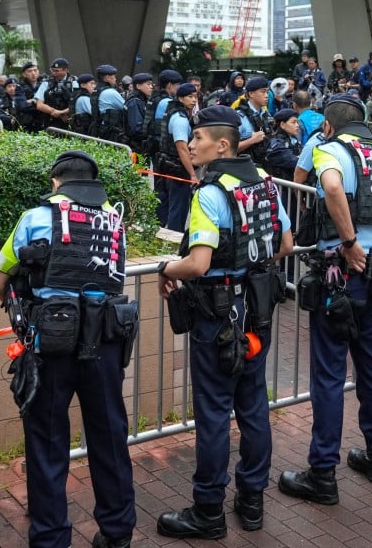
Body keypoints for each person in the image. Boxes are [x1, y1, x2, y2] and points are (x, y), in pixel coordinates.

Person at [156, 105, 293, 539]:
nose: (190, 144)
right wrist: (250, 266)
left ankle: (208, 511)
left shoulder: (210, 192)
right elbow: (286, 244)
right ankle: (251, 502)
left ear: (222, 145)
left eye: (197, 138)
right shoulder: (266, 183)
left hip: (217, 317)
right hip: (257, 312)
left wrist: (165, 268)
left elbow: (197, 264)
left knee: (214, 414)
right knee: (253, 408)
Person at [0, 150, 136, 548]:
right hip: (106, 342)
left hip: (50, 345)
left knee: (48, 442)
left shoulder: (36, 218)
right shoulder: (115, 220)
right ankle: (118, 532)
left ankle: (51, 537)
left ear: (56, 183)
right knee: (109, 436)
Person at [279, 96, 372, 503]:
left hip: (342, 270)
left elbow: (331, 185)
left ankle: (323, 473)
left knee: (329, 373)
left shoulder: (330, 149)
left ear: (327, 127)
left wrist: (348, 242)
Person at [157, 83, 200, 231]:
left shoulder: (171, 111)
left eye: (195, 97)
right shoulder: (180, 119)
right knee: (178, 209)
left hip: (166, 165)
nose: (194, 100)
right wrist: (192, 174)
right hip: (178, 169)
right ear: (180, 98)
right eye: (190, 97)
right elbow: (182, 148)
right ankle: (174, 242)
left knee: (165, 204)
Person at [236, 77, 274, 164]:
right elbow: (229, 148)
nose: (266, 95)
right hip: (245, 167)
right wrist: (251, 140)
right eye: (263, 92)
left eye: (267, 92)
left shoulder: (266, 115)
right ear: (251, 93)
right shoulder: (240, 117)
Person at [264, 108, 303, 180]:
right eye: (293, 122)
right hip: (282, 188)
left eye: (297, 122)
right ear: (282, 125)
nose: (297, 125)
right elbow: (295, 162)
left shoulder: (294, 140)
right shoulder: (276, 145)